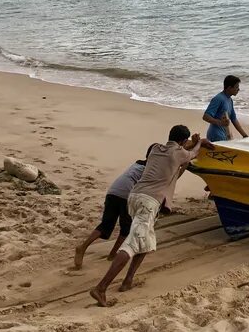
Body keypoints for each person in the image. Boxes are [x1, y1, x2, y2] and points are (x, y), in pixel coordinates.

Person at [90, 125, 215, 306]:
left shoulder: (156, 148)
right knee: (132, 245)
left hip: (134, 197)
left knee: (146, 242)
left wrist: (192, 143)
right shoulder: (179, 154)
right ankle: (100, 288)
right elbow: (192, 153)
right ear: (182, 141)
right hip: (148, 202)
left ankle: (128, 281)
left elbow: (180, 152)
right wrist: (200, 143)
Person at [73, 146, 154, 269]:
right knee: (126, 228)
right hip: (126, 195)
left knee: (106, 224)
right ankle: (113, 254)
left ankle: (82, 247)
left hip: (113, 191)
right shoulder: (151, 171)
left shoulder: (138, 163)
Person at [202, 75, 248, 142]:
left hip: (225, 135)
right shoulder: (218, 98)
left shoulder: (230, 100)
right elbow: (206, 116)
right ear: (229, 88)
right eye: (236, 87)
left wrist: (244, 135)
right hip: (215, 135)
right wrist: (220, 123)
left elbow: (234, 119)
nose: (238, 89)